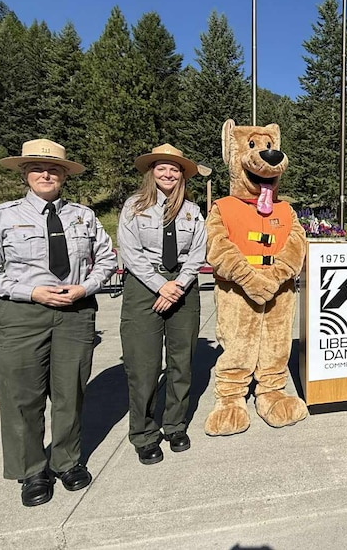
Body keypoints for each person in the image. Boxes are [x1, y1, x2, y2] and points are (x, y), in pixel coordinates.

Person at [0, 139, 117, 507]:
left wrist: (86, 287)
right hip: (21, 315)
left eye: (54, 169)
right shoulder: (2, 216)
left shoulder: (84, 216)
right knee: (22, 397)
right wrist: (29, 292)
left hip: (75, 313)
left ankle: (66, 461)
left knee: (70, 393)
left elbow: (108, 258)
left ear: (64, 175)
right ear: (25, 174)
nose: (46, 174)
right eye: (37, 168)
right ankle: (32, 469)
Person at [118, 144, 206, 466]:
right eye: (162, 168)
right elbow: (130, 252)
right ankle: (144, 433)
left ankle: (175, 425)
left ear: (182, 175)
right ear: (151, 172)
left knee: (182, 361)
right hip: (144, 285)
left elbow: (198, 252)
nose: (168, 174)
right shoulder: (134, 207)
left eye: (175, 169)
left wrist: (179, 284)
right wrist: (160, 285)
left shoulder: (192, 212)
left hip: (183, 284)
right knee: (144, 365)